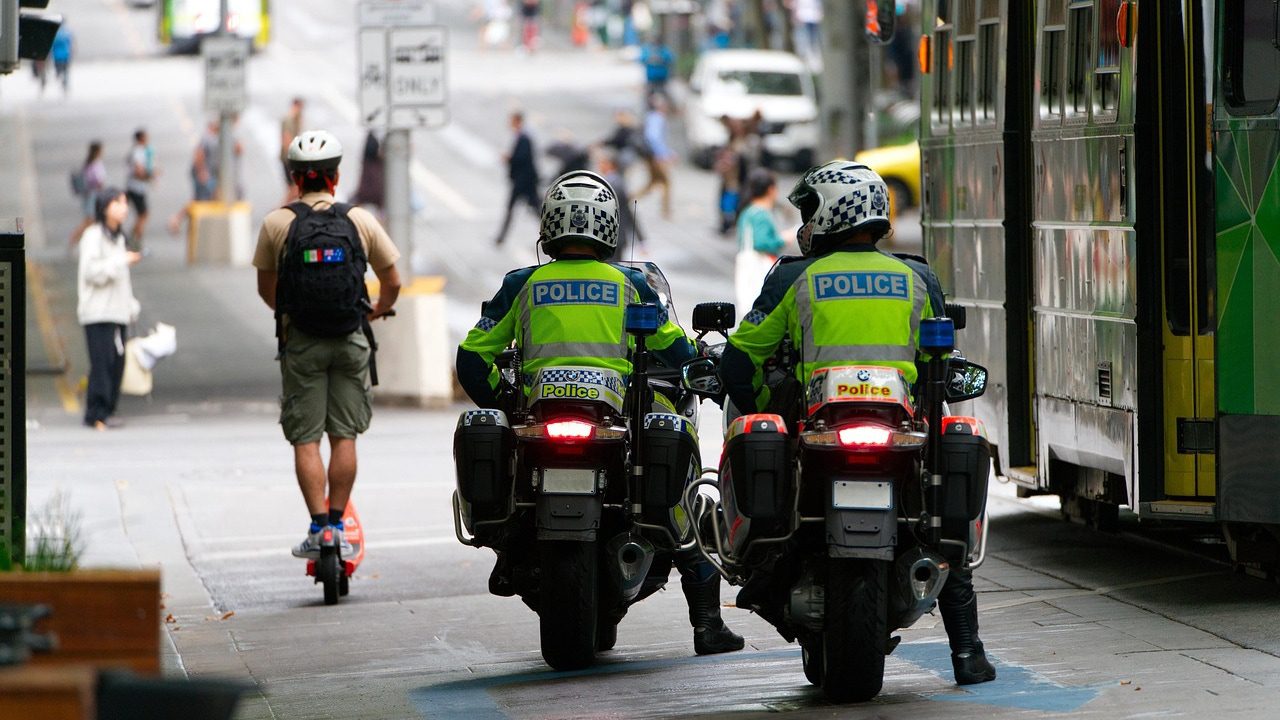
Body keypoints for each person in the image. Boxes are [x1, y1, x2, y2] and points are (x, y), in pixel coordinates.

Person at [719, 160, 997, 686]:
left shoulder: (794, 277)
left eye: (807, 211)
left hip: (820, 429)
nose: (802, 223)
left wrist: (763, 402)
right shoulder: (917, 277)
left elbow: (739, 359)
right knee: (935, 523)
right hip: (899, 430)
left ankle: (759, 570)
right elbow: (943, 363)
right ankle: (967, 651)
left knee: (780, 501)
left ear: (828, 214)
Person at [456, 170, 745, 656]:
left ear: (548, 227)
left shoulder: (522, 284)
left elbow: (471, 359)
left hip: (538, 424)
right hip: (613, 422)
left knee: (501, 446)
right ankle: (707, 625)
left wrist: (504, 402)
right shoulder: (628, 284)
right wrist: (710, 373)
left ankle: (505, 546)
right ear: (610, 227)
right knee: (685, 496)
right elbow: (675, 349)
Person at [252, 131, 402, 560]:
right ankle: (339, 522)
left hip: (302, 344)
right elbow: (393, 283)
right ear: (336, 177)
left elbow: (268, 290)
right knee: (344, 436)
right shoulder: (359, 220)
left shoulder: (277, 223)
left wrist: (292, 314)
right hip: (350, 338)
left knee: (305, 440)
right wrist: (371, 311)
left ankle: (320, 529)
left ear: (296, 180)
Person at [77, 188, 142, 430]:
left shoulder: (119, 238)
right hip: (97, 313)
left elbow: (122, 281)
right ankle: (96, 413)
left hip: (118, 313)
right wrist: (121, 260)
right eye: (118, 202)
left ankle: (107, 410)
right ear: (104, 207)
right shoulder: (93, 236)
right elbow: (92, 272)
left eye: (125, 203)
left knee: (117, 362)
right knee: (102, 363)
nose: (124, 207)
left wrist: (131, 306)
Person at [734, 168, 783, 319]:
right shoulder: (761, 213)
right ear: (770, 189)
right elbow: (761, 242)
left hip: (745, 262)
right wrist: (782, 239)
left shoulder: (748, 210)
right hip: (758, 265)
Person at [493, 111, 540, 246]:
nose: (509, 123)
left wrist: (508, 158)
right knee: (533, 210)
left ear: (518, 121)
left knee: (530, 209)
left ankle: (501, 237)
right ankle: (501, 237)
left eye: (512, 120)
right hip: (523, 181)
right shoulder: (521, 136)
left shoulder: (524, 138)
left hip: (524, 182)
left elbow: (522, 159)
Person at [634, 95, 673, 219]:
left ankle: (626, 200)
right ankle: (666, 211)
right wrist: (662, 154)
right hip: (655, 157)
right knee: (665, 182)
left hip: (651, 156)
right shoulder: (657, 118)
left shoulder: (651, 117)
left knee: (652, 184)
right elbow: (654, 137)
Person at [70, 141, 107, 246]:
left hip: (91, 196)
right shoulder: (94, 164)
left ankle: (84, 242)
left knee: (92, 221)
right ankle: (74, 239)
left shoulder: (89, 164)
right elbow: (97, 181)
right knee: (89, 221)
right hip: (92, 196)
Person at [125, 128, 157, 248]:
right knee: (143, 215)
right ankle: (137, 241)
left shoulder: (140, 151)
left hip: (137, 187)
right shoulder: (138, 152)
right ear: (141, 138)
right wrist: (150, 176)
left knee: (142, 215)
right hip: (136, 188)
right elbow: (139, 171)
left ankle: (131, 237)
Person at [280, 98, 305, 203]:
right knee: (295, 188)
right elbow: (286, 140)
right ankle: (280, 209)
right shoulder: (289, 120)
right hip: (289, 158)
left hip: (289, 157)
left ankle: (283, 209)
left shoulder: (295, 119)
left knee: (293, 188)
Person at [638, 36, 674, 103]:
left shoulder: (664, 50)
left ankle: (668, 108)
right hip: (651, 78)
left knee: (665, 94)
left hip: (662, 78)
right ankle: (649, 108)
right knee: (649, 95)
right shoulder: (647, 50)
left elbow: (670, 58)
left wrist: (661, 59)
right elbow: (641, 59)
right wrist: (649, 59)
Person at [50, 23, 73, 94]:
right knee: (66, 71)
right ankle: (65, 83)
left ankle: (60, 79)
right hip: (66, 55)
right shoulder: (66, 33)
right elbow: (70, 44)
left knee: (58, 71)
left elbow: (52, 45)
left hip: (57, 56)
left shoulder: (55, 34)